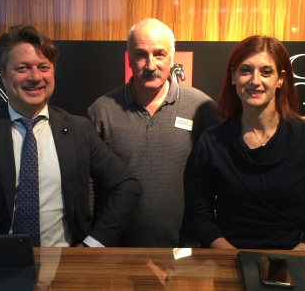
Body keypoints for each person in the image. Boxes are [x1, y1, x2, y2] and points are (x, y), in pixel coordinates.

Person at [0, 25, 142, 290]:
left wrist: (93, 245)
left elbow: (126, 185)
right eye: (22, 68)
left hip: (65, 270)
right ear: (3, 74)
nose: (35, 77)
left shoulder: (79, 130)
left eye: (43, 67)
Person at [188, 35, 305, 250]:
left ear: (281, 79)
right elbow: (199, 216)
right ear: (233, 76)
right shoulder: (211, 141)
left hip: (294, 260)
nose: (255, 80)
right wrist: (234, 257)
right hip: (227, 259)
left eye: (266, 72)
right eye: (246, 70)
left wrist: (293, 259)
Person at [87, 18, 218, 247]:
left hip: (185, 251)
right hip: (116, 253)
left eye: (159, 54)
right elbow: (89, 186)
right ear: (129, 58)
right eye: (141, 55)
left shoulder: (202, 108)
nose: (150, 65)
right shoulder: (102, 111)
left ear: (172, 57)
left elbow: (216, 181)